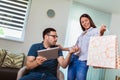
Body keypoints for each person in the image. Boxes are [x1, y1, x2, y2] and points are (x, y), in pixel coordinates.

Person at [59, 13, 106, 80]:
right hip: (73, 58)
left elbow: (98, 39)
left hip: (83, 61)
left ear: (89, 20)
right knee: (70, 78)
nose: (85, 23)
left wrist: (102, 32)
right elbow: (74, 46)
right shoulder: (82, 34)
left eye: (86, 20)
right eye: (82, 22)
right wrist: (63, 48)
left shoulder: (95, 30)